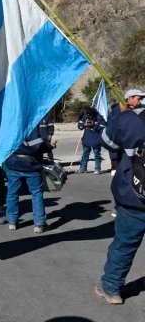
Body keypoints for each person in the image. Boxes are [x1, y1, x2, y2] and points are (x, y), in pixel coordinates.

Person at [95, 101, 145, 305]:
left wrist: (121, 115)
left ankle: (111, 288)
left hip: (134, 197)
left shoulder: (133, 118)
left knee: (124, 244)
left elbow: (107, 140)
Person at [5, 124, 56, 234]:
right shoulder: (31, 124)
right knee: (36, 193)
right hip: (30, 165)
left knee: (12, 192)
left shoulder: (12, 123)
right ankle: (39, 223)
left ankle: (12, 221)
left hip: (13, 163)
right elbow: (34, 146)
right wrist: (50, 145)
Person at [109, 89, 145, 176]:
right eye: (139, 98)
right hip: (127, 156)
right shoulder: (117, 112)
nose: (141, 101)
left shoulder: (142, 110)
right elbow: (110, 136)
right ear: (130, 98)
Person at [77, 108, 105, 174]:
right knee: (85, 154)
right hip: (86, 138)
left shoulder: (99, 117)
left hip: (96, 139)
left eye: (90, 115)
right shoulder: (86, 116)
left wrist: (93, 125)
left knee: (97, 155)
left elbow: (103, 126)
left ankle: (97, 169)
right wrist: (84, 125)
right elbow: (80, 124)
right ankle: (83, 168)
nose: (89, 116)